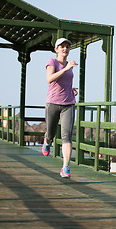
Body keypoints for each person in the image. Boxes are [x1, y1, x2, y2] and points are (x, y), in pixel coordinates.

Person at [42, 38, 78, 178]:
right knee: (51, 132)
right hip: (53, 103)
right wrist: (67, 68)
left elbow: (64, 82)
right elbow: (50, 79)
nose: (65, 49)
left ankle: (65, 167)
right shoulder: (52, 62)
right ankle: (47, 139)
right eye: (62, 46)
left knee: (66, 136)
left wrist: (71, 89)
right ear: (56, 49)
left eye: (67, 47)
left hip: (68, 103)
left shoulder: (69, 64)